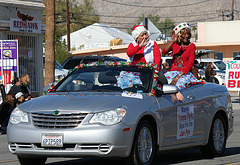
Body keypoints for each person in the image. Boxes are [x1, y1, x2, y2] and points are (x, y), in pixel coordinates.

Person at [162, 22, 204, 102]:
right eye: (184, 34)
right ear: (179, 35)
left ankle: (176, 94)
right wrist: (173, 42)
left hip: (184, 73)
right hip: (172, 72)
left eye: (188, 34)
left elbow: (190, 63)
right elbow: (164, 51)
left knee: (179, 83)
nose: (186, 36)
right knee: (162, 82)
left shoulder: (191, 46)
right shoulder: (175, 45)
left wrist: (178, 76)